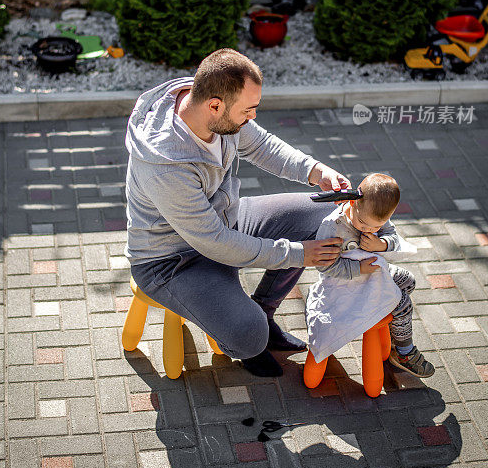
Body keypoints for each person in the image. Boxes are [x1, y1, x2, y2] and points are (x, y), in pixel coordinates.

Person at [124, 48, 349, 377]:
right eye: (248, 110)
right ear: (214, 105)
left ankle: (263, 311)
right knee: (249, 335)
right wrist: (299, 254)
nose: (252, 117)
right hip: (172, 261)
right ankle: (250, 335)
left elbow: (261, 145)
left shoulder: (208, 103)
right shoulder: (165, 165)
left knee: (325, 215)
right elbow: (215, 243)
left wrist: (316, 172)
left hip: (223, 221)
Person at [305, 173, 435, 378]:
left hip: (372, 272)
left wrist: (381, 244)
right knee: (402, 303)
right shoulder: (333, 226)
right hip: (344, 283)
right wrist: (358, 269)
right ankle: (404, 353)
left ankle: (395, 332)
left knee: (408, 281)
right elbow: (325, 266)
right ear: (352, 202)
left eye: (376, 227)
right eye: (363, 224)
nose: (369, 229)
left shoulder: (375, 214)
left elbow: (392, 236)